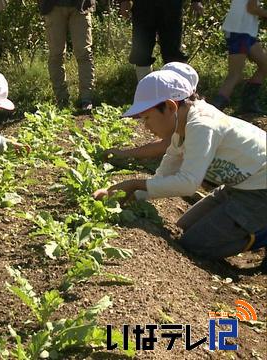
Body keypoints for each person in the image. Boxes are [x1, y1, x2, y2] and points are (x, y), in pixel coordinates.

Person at [93, 71, 267, 261]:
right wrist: (126, 196)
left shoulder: (202, 125)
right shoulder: (180, 130)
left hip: (261, 190)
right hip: (239, 185)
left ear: (169, 106)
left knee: (194, 245)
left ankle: (261, 236)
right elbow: (164, 176)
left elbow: (188, 183)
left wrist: (134, 184)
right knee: (183, 228)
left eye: (147, 118)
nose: (145, 126)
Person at [103, 62, 199, 163]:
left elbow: (188, 176)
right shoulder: (182, 121)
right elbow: (167, 144)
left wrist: (126, 154)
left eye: (147, 117)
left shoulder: (197, 125)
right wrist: (126, 154)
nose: (146, 126)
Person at [119, 0, 204, 81]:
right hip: (143, 6)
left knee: (173, 52)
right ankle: (145, 88)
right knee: (142, 51)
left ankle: (177, 89)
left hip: (171, 6)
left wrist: (196, 1)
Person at [210, 0, 267, 114]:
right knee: (235, 75)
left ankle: (248, 103)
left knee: (265, 64)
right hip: (239, 30)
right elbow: (252, 8)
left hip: (246, 31)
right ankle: (214, 111)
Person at [38, 0, 96, 111]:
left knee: (84, 53)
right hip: (52, 6)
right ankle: (61, 99)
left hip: (81, 6)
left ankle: (86, 98)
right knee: (56, 55)